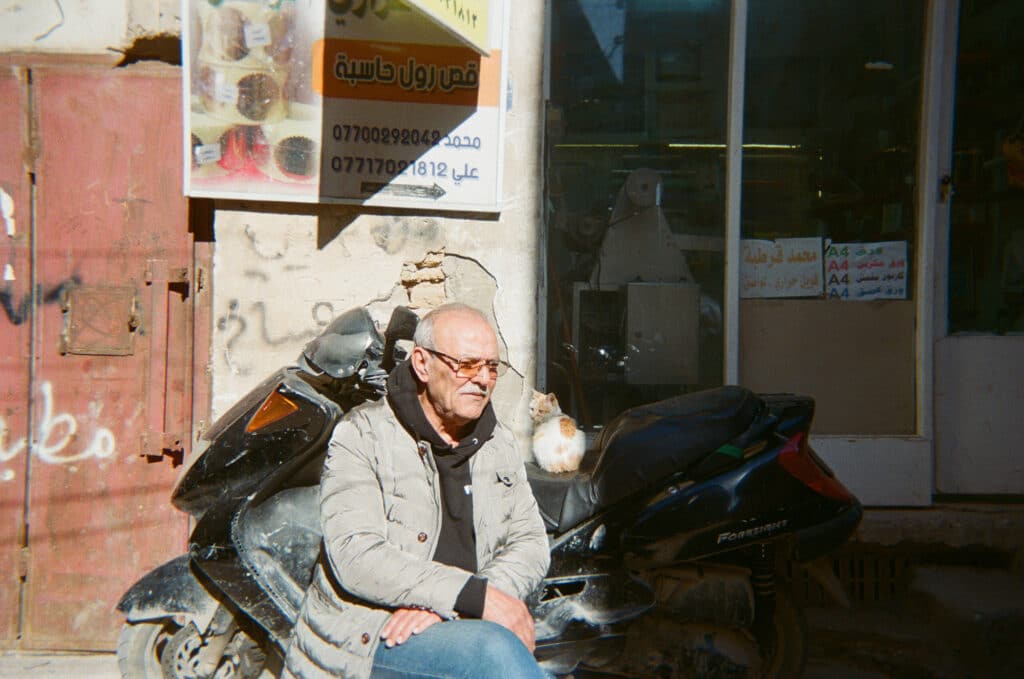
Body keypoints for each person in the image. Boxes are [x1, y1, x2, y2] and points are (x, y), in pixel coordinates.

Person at [283, 303, 552, 679]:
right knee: (493, 654)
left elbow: (530, 542)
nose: (483, 379)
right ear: (423, 364)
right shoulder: (363, 434)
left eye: (492, 367)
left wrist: (464, 603)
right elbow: (355, 554)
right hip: (372, 632)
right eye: (467, 364)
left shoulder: (498, 442)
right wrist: (469, 597)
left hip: (459, 622)